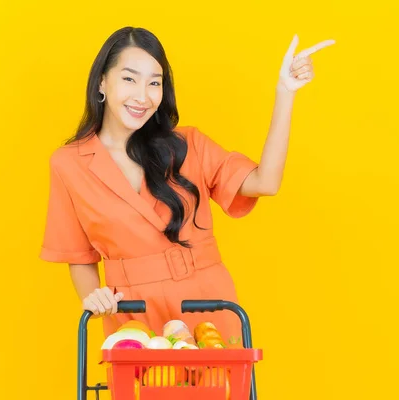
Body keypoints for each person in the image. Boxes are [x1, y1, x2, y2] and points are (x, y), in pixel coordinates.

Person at [39, 27, 334, 346]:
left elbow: (266, 182)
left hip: (207, 304)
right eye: (129, 79)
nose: (143, 95)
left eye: (154, 82)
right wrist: (94, 301)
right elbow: (78, 255)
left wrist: (285, 92)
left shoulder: (188, 145)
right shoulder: (69, 163)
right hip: (133, 317)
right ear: (101, 83)